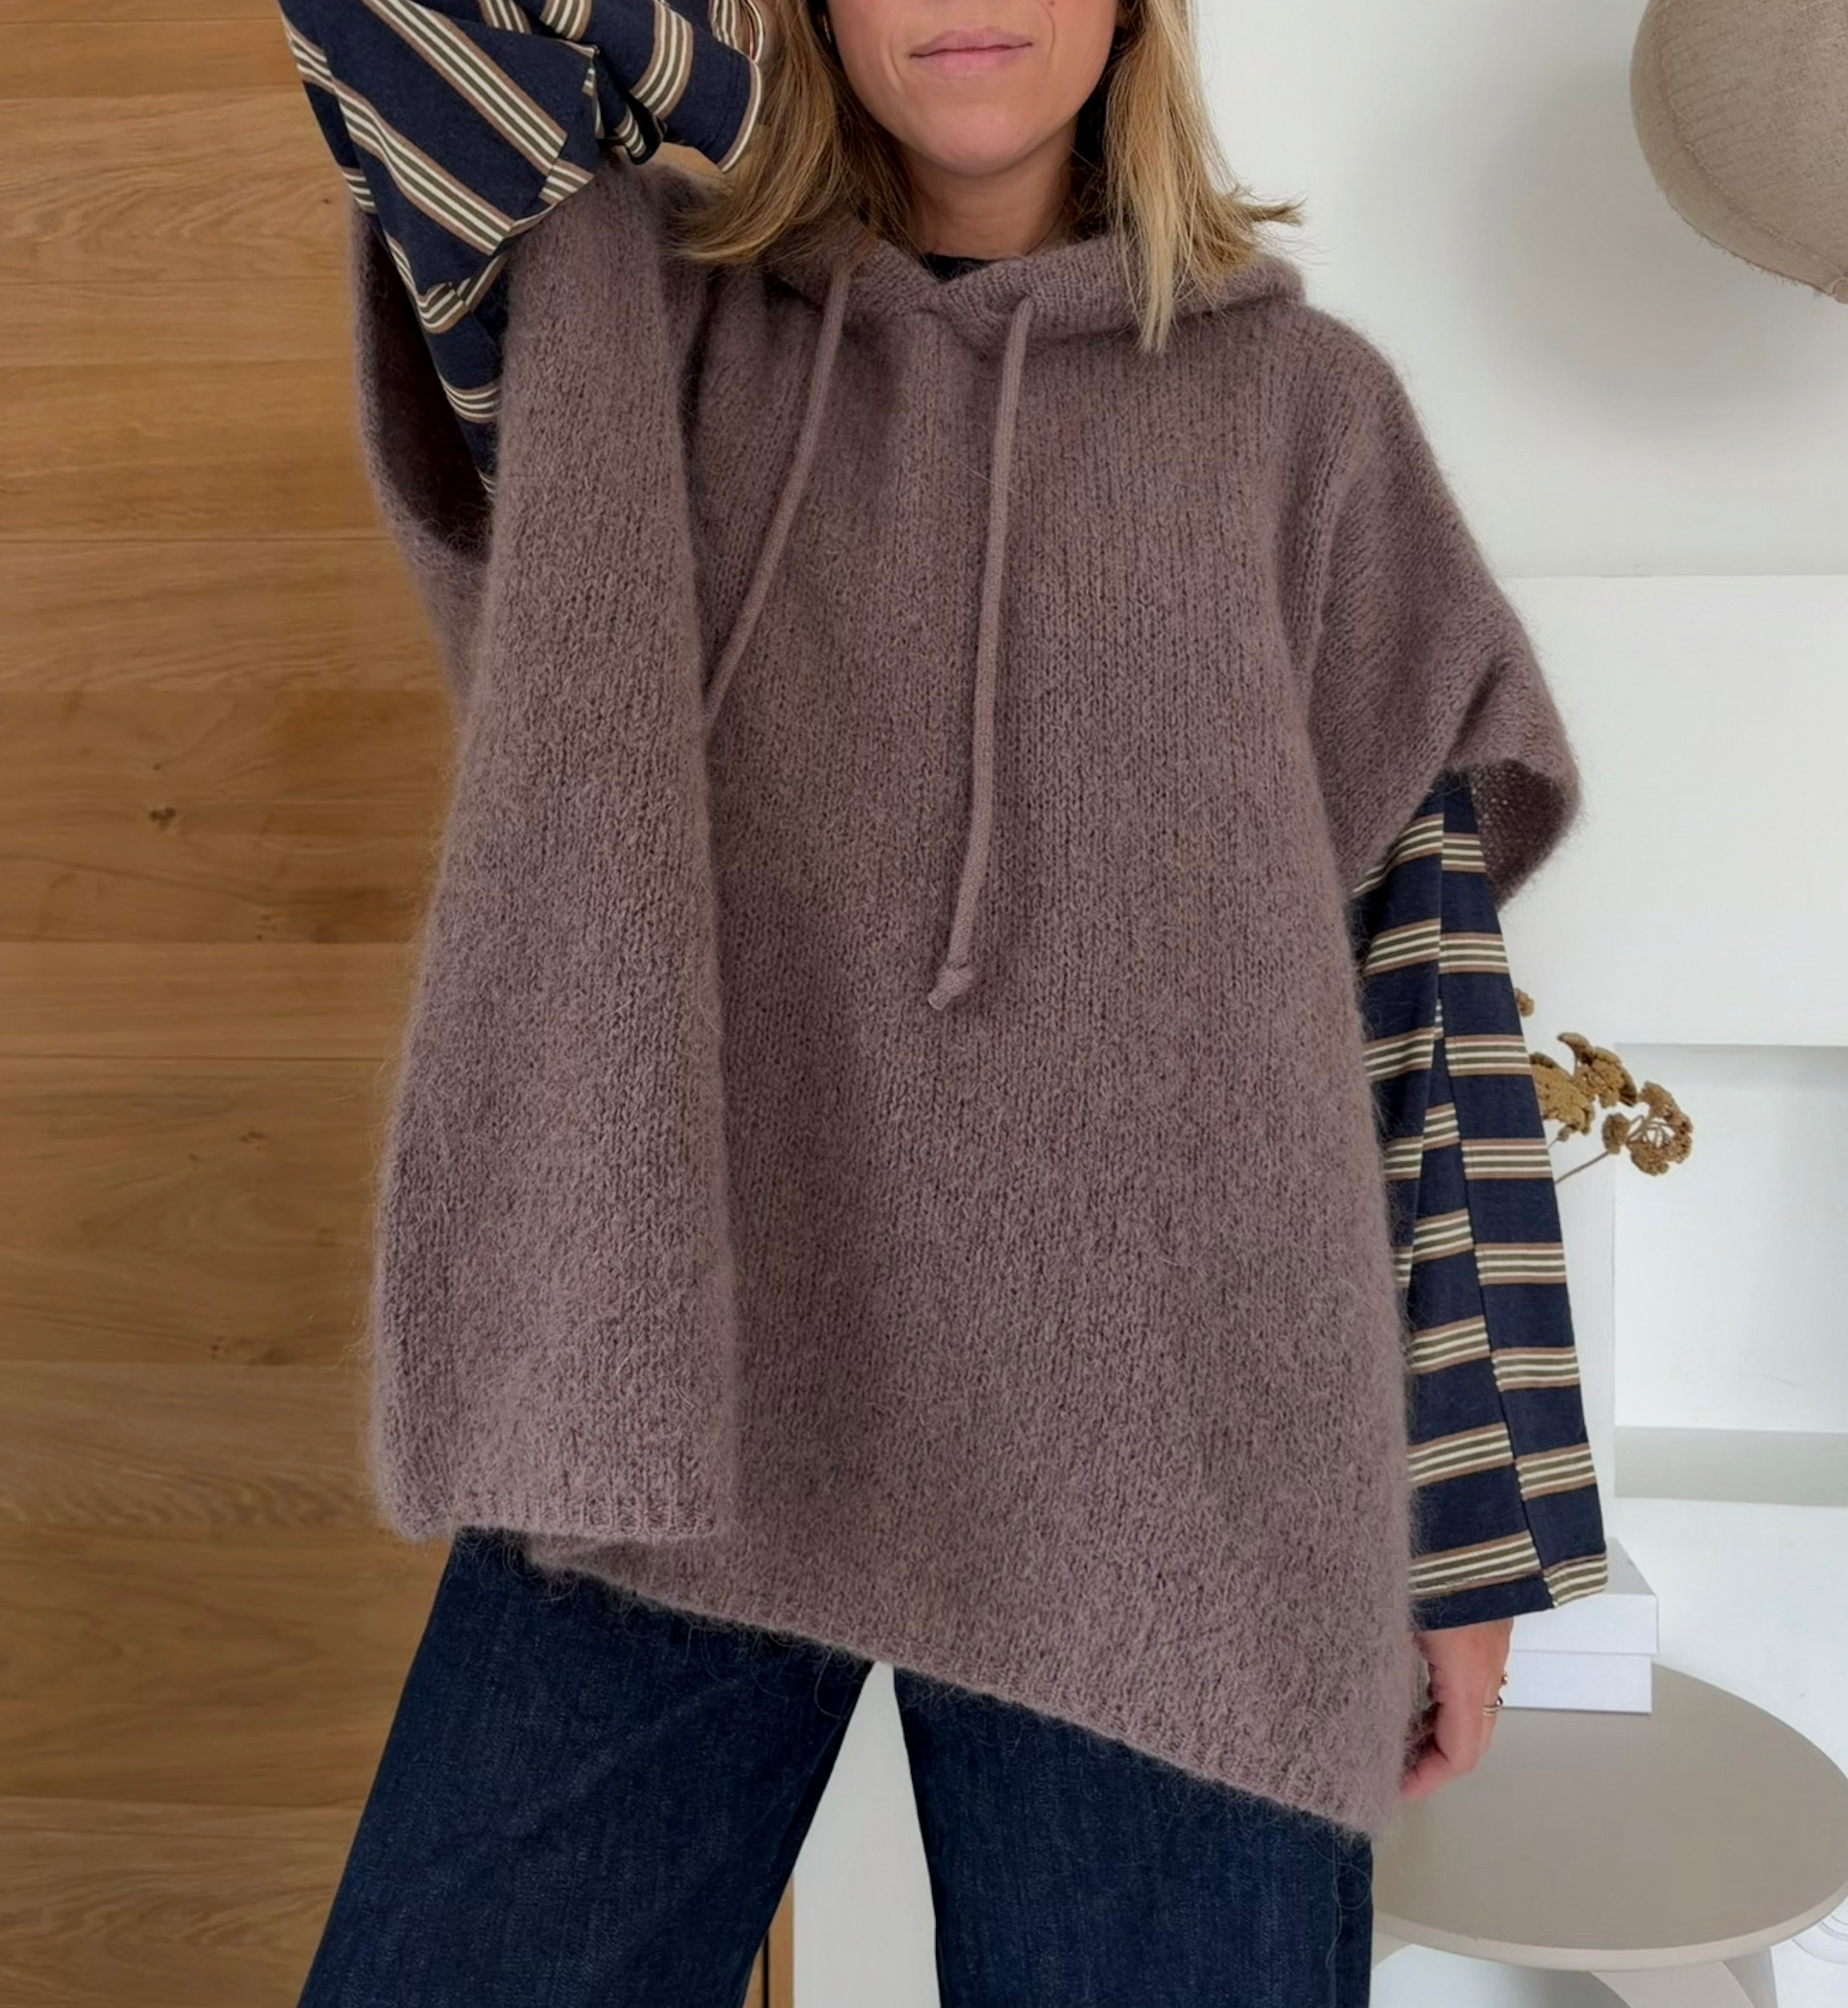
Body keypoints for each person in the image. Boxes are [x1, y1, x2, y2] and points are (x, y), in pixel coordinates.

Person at [277, 0, 1608, 1996]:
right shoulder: (629, 334)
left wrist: (1473, 1526)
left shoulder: (1305, 414)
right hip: (677, 1393)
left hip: (1185, 1466)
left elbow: (1425, 995)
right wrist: (754, 90)